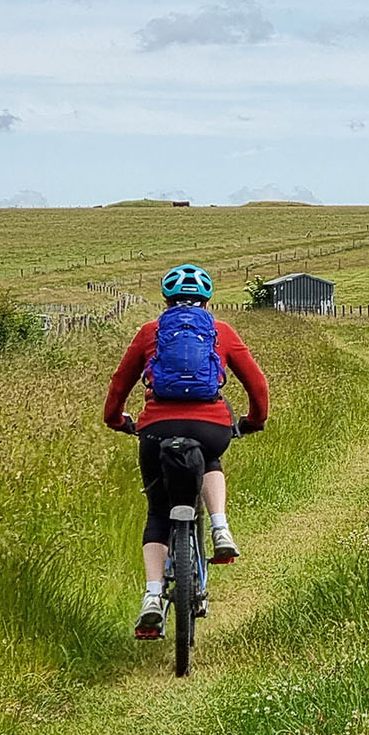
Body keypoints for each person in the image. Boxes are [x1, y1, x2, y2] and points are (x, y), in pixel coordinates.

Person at [101, 263, 268, 637]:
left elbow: (119, 383)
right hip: (209, 427)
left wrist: (116, 420)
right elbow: (257, 383)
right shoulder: (220, 332)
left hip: (156, 430)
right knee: (210, 456)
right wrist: (253, 421)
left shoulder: (151, 332)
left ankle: (152, 596)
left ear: (167, 299)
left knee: (159, 510)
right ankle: (221, 527)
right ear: (206, 299)